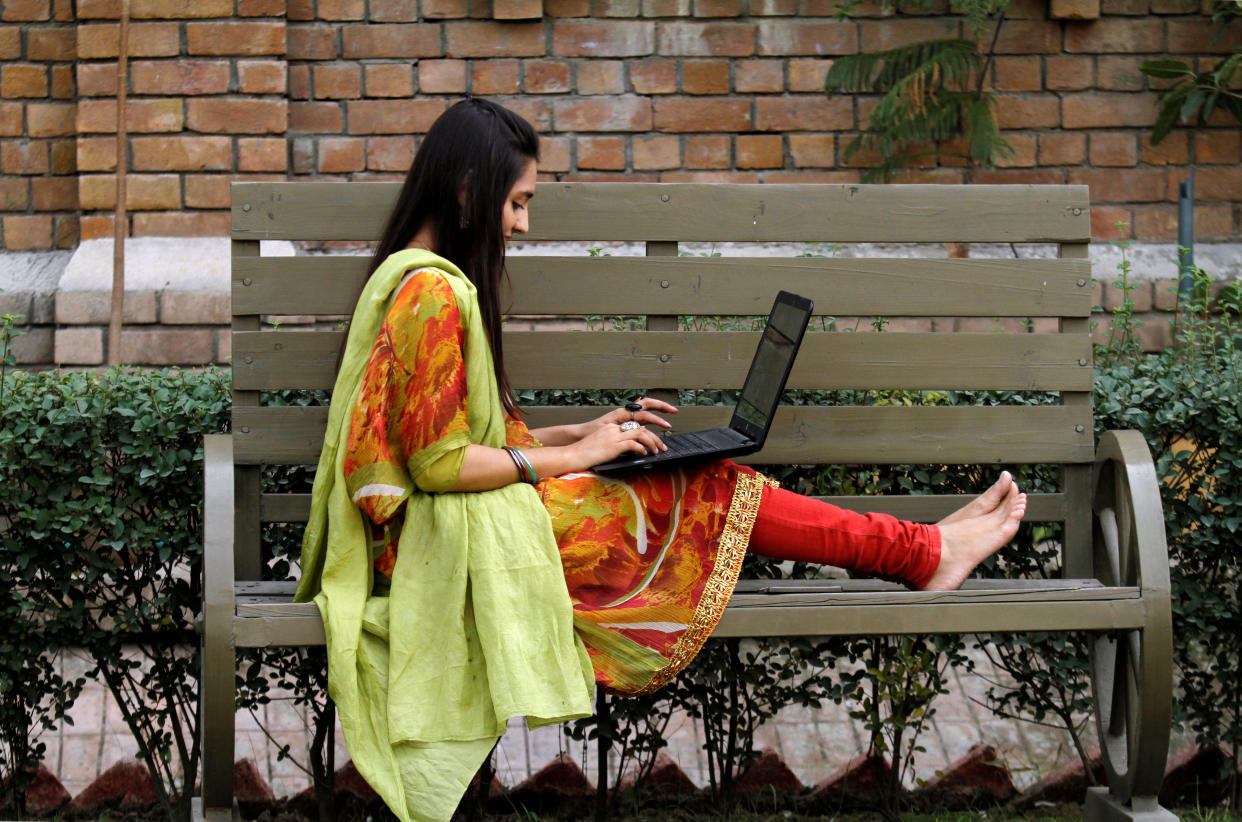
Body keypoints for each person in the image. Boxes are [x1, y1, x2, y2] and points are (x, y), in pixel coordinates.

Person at [294, 97, 1027, 822]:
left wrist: (584, 433)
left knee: (696, 477)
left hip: (463, 526)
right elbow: (439, 466)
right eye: (516, 203)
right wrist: (582, 453)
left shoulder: (419, 278)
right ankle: (920, 553)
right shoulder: (430, 291)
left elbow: (462, 443)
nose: (521, 224)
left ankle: (919, 550)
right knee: (704, 483)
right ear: (466, 190)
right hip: (444, 546)